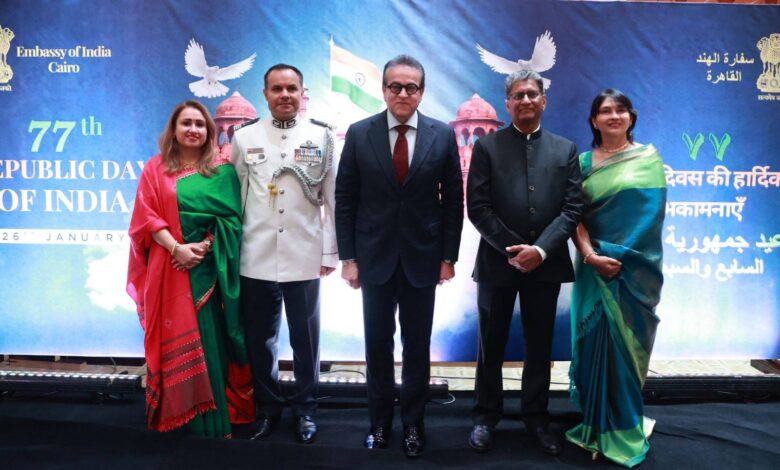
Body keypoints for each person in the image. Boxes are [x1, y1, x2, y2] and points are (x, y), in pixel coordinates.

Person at [335, 55, 463, 457]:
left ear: (422, 92)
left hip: (423, 257)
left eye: (411, 87)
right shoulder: (360, 133)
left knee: (417, 347)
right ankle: (378, 423)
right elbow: (345, 198)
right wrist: (348, 258)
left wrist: (448, 256)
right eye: (395, 86)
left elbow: (453, 201)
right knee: (377, 346)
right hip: (373, 257)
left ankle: (412, 425)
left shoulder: (442, 135)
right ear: (384, 89)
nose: (402, 93)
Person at [466, 70, 583, 455]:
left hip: (546, 265)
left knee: (539, 343)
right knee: (491, 343)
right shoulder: (487, 147)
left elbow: (572, 209)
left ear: (544, 101)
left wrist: (541, 250)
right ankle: (486, 416)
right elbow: (478, 207)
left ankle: (536, 418)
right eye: (518, 95)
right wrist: (513, 249)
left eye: (533, 94)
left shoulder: (565, 150)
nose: (526, 100)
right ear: (508, 104)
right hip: (497, 262)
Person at [127, 100, 254, 438]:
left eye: (200, 124)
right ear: (174, 129)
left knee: (208, 339)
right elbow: (146, 218)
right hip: (168, 268)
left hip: (206, 271)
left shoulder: (221, 171)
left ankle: (210, 424)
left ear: (210, 131)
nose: (193, 130)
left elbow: (232, 220)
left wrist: (204, 248)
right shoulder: (155, 168)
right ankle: (175, 419)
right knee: (169, 336)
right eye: (186, 123)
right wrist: (177, 248)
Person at [231, 64, 337, 445]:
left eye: (292, 88)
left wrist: (330, 253)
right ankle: (268, 408)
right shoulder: (244, 137)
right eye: (277, 89)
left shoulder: (322, 136)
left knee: (306, 340)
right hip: (256, 254)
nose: (285, 95)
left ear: (302, 92)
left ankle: (306, 409)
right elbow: (237, 198)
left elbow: (332, 199)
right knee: (261, 340)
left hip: (304, 254)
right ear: (265, 94)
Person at [566, 89, 666, 467]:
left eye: (620, 110)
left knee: (624, 349)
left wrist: (619, 258)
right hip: (593, 268)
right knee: (594, 344)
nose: (613, 116)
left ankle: (622, 427)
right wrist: (592, 256)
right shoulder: (582, 163)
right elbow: (573, 216)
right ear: (594, 120)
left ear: (631, 117)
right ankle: (595, 424)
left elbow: (651, 219)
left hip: (632, 273)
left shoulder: (648, 160)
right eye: (605, 111)